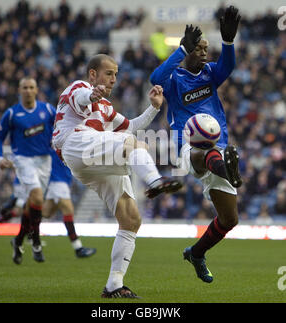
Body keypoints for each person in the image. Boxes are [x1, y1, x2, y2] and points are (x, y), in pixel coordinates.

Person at [52, 53, 183, 298]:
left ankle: (114, 285)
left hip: (91, 160)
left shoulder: (107, 107)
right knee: (132, 144)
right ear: (93, 74)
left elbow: (130, 126)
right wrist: (92, 94)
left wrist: (153, 108)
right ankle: (155, 181)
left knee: (131, 218)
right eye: (109, 73)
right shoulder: (79, 87)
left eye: (116, 74)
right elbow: (80, 98)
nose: (114, 79)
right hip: (75, 143)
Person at [150, 6, 242, 283]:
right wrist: (179, 51)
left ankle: (197, 253)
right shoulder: (174, 79)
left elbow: (228, 66)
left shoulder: (210, 73)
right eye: (199, 48)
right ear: (188, 50)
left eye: (206, 48)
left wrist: (228, 42)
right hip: (186, 143)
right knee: (206, 155)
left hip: (218, 144)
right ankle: (226, 167)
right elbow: (156, 79)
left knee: (229, 220)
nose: (204, 52)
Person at [0, 77, 56, 264]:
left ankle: (18, 241)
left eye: (31, 87)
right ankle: (35, 241)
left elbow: (60, 126)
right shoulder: (12, 114)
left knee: (31, 206)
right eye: (25, 88)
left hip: (45, 161)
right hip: (23, 161)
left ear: (37, 90)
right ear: (19, 90)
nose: (28, 90)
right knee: (36, 198)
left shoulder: (47, 110)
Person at [42, 150, 96, 258]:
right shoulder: (56, 140)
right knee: (68, 210)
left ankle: (21, 233)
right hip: (58, 181)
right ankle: (78, 248)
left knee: (46, 213)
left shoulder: (64, 142)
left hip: (59, 181)